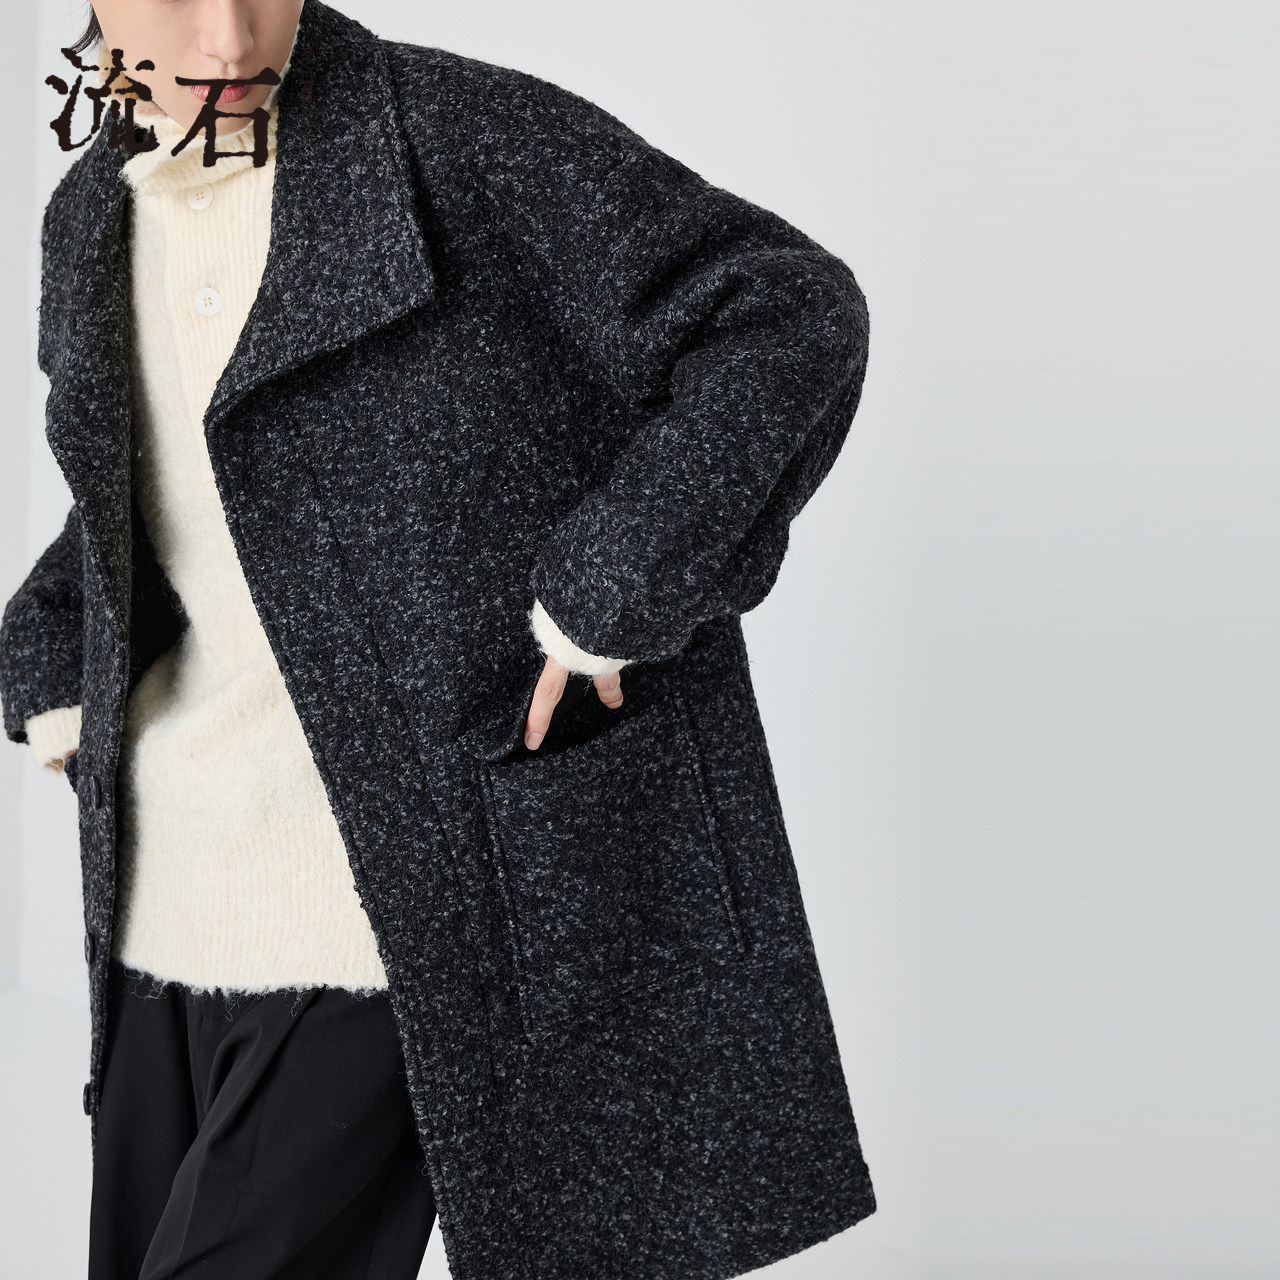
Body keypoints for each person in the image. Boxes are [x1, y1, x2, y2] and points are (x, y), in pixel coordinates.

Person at [2, 1, 876, 1277]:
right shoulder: (91, 212)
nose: (229, 40)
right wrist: (52, 649)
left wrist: (615, 584)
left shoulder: (460, 139)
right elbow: (168, 495)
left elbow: (787, 311)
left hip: (394, 909)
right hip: (161, 901)